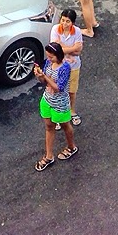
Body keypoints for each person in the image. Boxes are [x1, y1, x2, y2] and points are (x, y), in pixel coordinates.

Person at [33, 41, 78, 170]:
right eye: (48, 56)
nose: (49, 59)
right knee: (48, 126)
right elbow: (44, 82)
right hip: (47, 99)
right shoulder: (48, 63)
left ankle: (71, 147)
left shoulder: (65, 68)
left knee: (65, 125)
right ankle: (48, 156)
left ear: (58, 55)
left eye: (51, 56)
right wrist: (39, 76)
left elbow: (59, 88)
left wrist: (45, 77)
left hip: (60, 103)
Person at [50, 8, 84, 127]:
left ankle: (71, 111)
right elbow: (55, 49)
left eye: (67, 21)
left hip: (74, 66)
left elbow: (79, 51)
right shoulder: (55, 29)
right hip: (59, 68)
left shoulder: (77, 31)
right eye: (63, 20)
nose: (64, 24)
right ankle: (58, 113)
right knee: (58, 91)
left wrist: (63, 48)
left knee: (71, 91)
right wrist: (72, 49)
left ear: (72, 23)